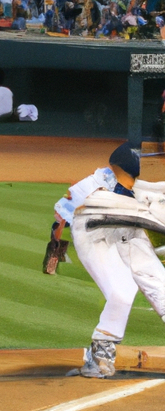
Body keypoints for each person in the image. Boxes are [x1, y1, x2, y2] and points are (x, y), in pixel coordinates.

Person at [70, 145, 165, 378]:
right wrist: (56, 243)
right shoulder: (91, 183)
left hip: (129, 231)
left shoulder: (146, 191)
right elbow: (63, 210)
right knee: (121, 292)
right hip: (92, 234)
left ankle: (99, 354)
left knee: (156, 285)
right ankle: (98, 356)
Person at [43, 162, 118, 275]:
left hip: (82, 211)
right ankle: (54, 256)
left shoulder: (98, 180)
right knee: (62, 228)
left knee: (65, 228)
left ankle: (58, 254)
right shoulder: (99, 181)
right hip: (77, 210)